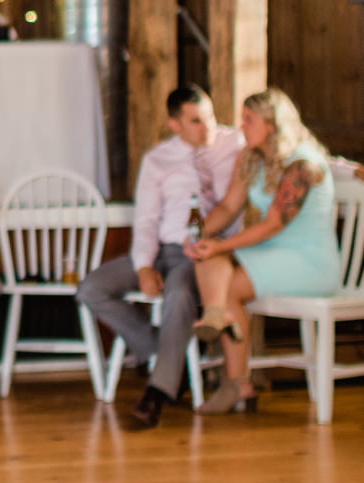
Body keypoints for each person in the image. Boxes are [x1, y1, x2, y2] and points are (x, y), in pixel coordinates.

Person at [79, 85, 244, 431]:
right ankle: (164, 346)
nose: (207, 127)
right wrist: (142, 266)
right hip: (162, 248)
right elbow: (146, 220)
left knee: (179, 292)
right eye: (196, 121)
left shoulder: (235, 144)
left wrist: (350, 171)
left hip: (203, 254)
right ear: (175, 125)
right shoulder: (157, 160)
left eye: (210, 117)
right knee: (91, 288)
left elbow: (292, 155)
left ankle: (158, 392)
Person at [188, 87, 342, 417]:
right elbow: (229, 206)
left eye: (248, 120)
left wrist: (223, 244)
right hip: (273, 254)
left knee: (226, 282)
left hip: (308, 262)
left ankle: (233, 375)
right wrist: (203, 236)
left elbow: (273, 224)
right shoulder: (251, 157)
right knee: (208, 256)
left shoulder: (303, 166)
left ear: (271, 125)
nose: (241, 126)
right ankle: (217, 316)